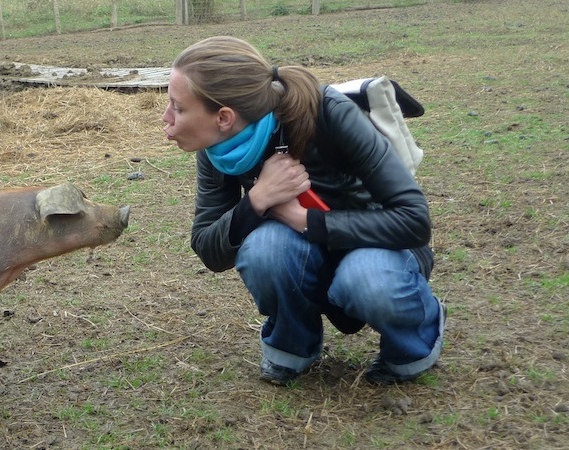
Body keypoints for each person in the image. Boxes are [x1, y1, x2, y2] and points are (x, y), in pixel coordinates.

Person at [162, 36, 444, 386]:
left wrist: (305, 220)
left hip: (380, 251)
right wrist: (257, 200)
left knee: (367, 277)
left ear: (224, 116)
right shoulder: (219, 149)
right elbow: (208, 248)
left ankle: (413, 340)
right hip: (306, 256)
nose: (166, 118)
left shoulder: (329, 111)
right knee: (264, 251)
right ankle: (293, 345)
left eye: (177, 107)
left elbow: (414, 220)